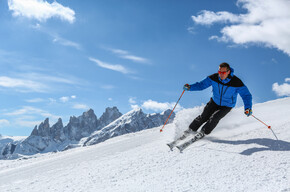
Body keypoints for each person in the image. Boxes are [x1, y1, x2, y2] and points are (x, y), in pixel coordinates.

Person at [182, 62, 252, 139]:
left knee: (215, 118)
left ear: (228, 72)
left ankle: (203, 132)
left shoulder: (237, 82)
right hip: (214, 101)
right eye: (219, 72)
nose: (221, 74)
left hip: (227, 105)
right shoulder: (214, 78)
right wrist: (190, 87)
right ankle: (191, 130)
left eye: (223, 72)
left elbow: (246, 95)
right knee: (203, 117)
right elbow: (201, 85)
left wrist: (248, 108)